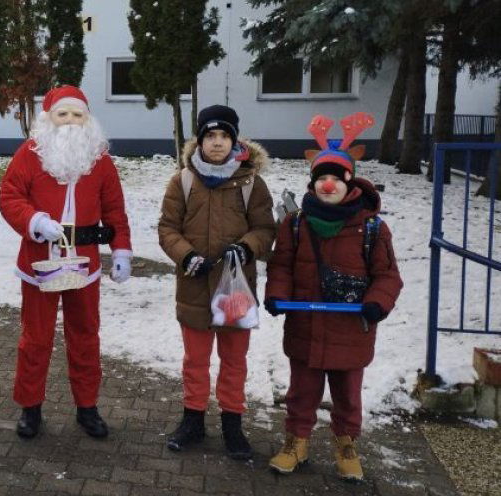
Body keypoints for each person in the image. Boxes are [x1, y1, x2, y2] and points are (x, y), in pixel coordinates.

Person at [264, 113, 402, 481]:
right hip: (305, 325)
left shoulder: (371, 227)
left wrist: (377, 303)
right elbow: (281, 266)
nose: (327, 185)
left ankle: (346, 444)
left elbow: (387, 275)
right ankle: (297, 441)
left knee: (347, 394)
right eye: (320, 178)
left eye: (335, 178)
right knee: (302, 392)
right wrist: (277, 295)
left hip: (350, 329)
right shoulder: (295, 223)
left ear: (349, 181)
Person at [0, 85, 133, 439]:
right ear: (48, 118)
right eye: (63, 114)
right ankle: (31, 407)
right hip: (39, 263)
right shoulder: (29, 154)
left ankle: (87, 407)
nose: (71, 121)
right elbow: (10, 196)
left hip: (85, 265)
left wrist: (121, 249)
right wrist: (35, 221)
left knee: (86, 336)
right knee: (36, 338)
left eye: (77, 114)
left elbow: (115, 209)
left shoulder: (100, 159)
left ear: (88, 119)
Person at [157, 104, 276, 459]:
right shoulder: (184, 181)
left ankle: (232, 424)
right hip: (194, 286)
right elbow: (167, 228)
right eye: (211, 135)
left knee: (234, 360)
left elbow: (265, 229)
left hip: (235, 289)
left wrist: (246, 247)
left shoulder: (251, 183)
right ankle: (192, 420)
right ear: (200, 140)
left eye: (225, 135)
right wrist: (185, 254)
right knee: (195, 360)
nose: (218, 143)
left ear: (235, 139)